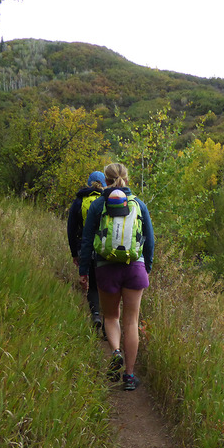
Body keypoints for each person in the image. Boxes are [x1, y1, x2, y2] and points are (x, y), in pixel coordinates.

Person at [78, 163, 154, 391]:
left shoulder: (98, 205)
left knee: (111, 317)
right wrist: (146, 267)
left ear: (106, 181)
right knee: (131, 322)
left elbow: (87, 239)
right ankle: (129, 377)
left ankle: (115, 352)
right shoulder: (139, 204)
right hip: (134, 267)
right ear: (127, 179)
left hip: (105, 267)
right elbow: (149, 241)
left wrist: (83, 271)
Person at [67, 170, 106, 335]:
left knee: (93, 286)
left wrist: (75, 253)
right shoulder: (107, 200)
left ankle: (95, 315)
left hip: (86, 247)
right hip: (105, 248)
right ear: (104, 183)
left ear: (89, 182)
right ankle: (108, 325)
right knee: (105, 286)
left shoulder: (79, 201)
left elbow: (71, 229)